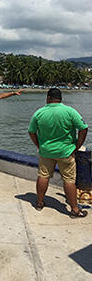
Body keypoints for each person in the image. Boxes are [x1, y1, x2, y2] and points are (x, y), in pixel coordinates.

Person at [28, 88, 88, 219]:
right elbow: (83, 128)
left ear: (48, 98)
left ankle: (39, 203)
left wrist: (39, 145)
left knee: (43, 176)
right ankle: (74, 209)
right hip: (66, 152)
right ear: (60, 98)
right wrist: (77, 146)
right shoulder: (70, 111)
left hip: (46, 152)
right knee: (69, 180)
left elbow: (31, 131)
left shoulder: (39, 112)